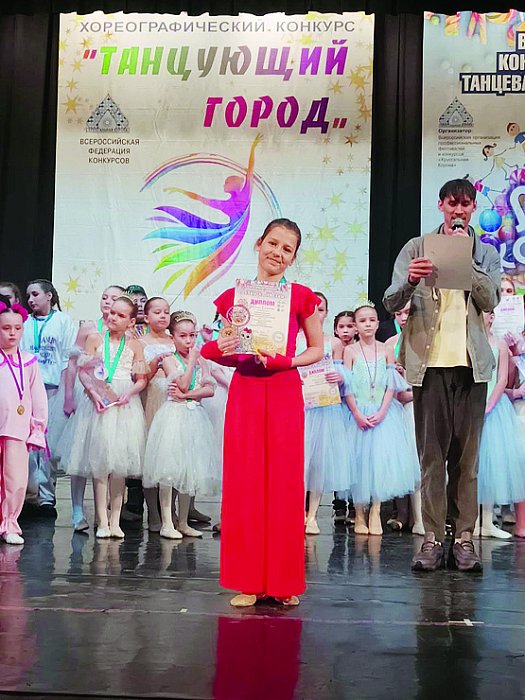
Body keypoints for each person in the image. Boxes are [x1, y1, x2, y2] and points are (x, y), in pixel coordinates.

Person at [201, 218, 324, 607]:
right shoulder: (235, 298)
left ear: (293, 257)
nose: (278, 253)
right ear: (258, 244)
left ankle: (283, 582)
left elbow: (317, 349)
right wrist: (220, 347)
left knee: (285, 484)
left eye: (287, 249)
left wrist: (287, 361)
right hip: (247, 391)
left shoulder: (301, 297)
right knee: (246, 482)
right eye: (273, 243)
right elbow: (223, 346)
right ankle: (249, 580)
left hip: (284, 390)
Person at [384, 178, 501, 572]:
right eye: (453, 204)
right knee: (432, 459)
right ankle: (432, 539)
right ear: (441, 206)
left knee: (467, 462)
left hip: (471, 367)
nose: (459, 211)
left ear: (473, 209)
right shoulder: (416, 248)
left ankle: (464, 539)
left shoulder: (485, 253)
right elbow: (391, 300)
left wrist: (466, 262)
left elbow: (491, 298)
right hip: (429, 365)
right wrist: (411, 279)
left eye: (465, 205)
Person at [60, 296, 147, 539]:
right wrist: (93, 394)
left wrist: (130, 392)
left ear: (131, 321)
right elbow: (83, 372)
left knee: (119, 466)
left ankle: (115, 520)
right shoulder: (95, 339)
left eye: (120, 315)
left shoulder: (135, 345)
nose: (113, 317)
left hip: (123, 405)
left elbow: (141, 379)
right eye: (112, 312)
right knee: (100, 464)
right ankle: (102, 520)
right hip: (98, 403)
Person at [343, 303, 420, 535]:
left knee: (380, 464)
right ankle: (359, 512)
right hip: (358, 412)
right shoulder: (350, 351)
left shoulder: (386, 349)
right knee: (358, 464)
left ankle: (376, 510)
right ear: (356, 326)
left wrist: (383, 411)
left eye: (371, 320)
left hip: (383, 413)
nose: (367, 324)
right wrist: (357, 413)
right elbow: (347, 387)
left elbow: (391, 385)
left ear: (378, 323)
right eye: (362, 321)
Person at [143, 311, 220, 539]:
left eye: (192, 335)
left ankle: (184, 522)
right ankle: (167, 522)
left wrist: (188, 396)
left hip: (194, 416)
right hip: (173, 417)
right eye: (183, 336)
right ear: (173, 337)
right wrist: (192, 366)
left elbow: (209, 389)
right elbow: (184, 383)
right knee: (169, 470)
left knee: (189, 469)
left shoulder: (201, 360)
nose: (188, 341)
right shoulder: (169, 359)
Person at [54, 284, 125, 532]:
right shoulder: (89, 328)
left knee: (106, 455)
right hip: (87, 395)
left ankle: (103, 513)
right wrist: (69, 396)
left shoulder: (124, 332)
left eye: (114, 298)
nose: (107, 302)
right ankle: (76, 510)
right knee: (81, 452)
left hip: (111, 397)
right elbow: (73, 364)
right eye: (104, 297)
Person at [20, 279, 77, 516]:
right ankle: (31, 495)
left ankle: (46, 496)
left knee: (48, 445)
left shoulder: (63, 321)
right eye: (28, 296)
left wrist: (67, 394)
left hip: (54, 389)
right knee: (29, 445)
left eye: (35, 294)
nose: (31, 300)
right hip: (27, 390)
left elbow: (67, 358)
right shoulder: (24, 322)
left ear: (49, 296)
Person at [297, 293, 351, 535]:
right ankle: (296, 511)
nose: (315, 313)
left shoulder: (334, 343)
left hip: (324, 409)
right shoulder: (294, 339)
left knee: (318, 463)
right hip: (299, 406)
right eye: (311, 309)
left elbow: (344, 375)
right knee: (298, 462)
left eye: (320, 309)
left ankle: (312, 515)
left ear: (326, 313)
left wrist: (340, 376)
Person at [0, 297, 47, 544]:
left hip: (17, 428)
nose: (12, 333)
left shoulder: (28, 361)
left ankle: (10, 523)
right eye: (6, 328)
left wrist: (37, 428)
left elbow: (38, 398)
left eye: (17, 328)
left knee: (16, 479)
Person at [476, 311, 525, 538]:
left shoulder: (500, 345)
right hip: (472, 404)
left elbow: (502, 379)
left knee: (491, 463)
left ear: (492, 317)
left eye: (486, 312)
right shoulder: (469, 342)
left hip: (494, 408)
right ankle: (471, 522)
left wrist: (489, 404)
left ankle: (487, 521)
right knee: (472, 464)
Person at [384, 302, 425, 535]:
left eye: (407, 312)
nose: (402, 317)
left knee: (419, 459)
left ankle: (421, 517)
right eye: (398, 313)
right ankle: (401, 513)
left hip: (418, 404)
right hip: (397, 406)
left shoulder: (425, 340)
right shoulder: (390, 344)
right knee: (400, 460)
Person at [140, 297, 175, 532]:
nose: (162, 316)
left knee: (172, 458)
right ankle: (153, 512)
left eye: (166, 312)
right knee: (152, 459)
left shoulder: (175, 340)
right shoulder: (140, 342)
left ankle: (170, 512)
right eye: (157, 312)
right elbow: (140, 376)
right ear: (146, 317)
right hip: (151, 398)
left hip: (172, 400)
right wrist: (155, 363)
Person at [331, 309, 356, 523]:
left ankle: (355, 507)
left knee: (355, 457)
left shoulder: (361, 351)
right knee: (337, 457)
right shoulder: (331, 350)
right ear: (335, 330)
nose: (346, 330)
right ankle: (339, 505)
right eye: (341, 327)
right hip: (336, 408)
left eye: (349, 326)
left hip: (355, 409)